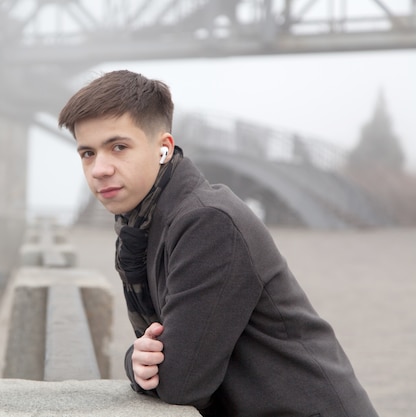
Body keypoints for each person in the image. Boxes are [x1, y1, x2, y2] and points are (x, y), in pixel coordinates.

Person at [58, 70, 378, 417]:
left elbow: (180, 381)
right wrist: (143, 357)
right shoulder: (144, 226)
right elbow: (163, 353)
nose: (99, 168)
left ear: (163, 148)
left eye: (118, 147)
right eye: (87, 154)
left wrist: (133, 359)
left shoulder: (207, 222)